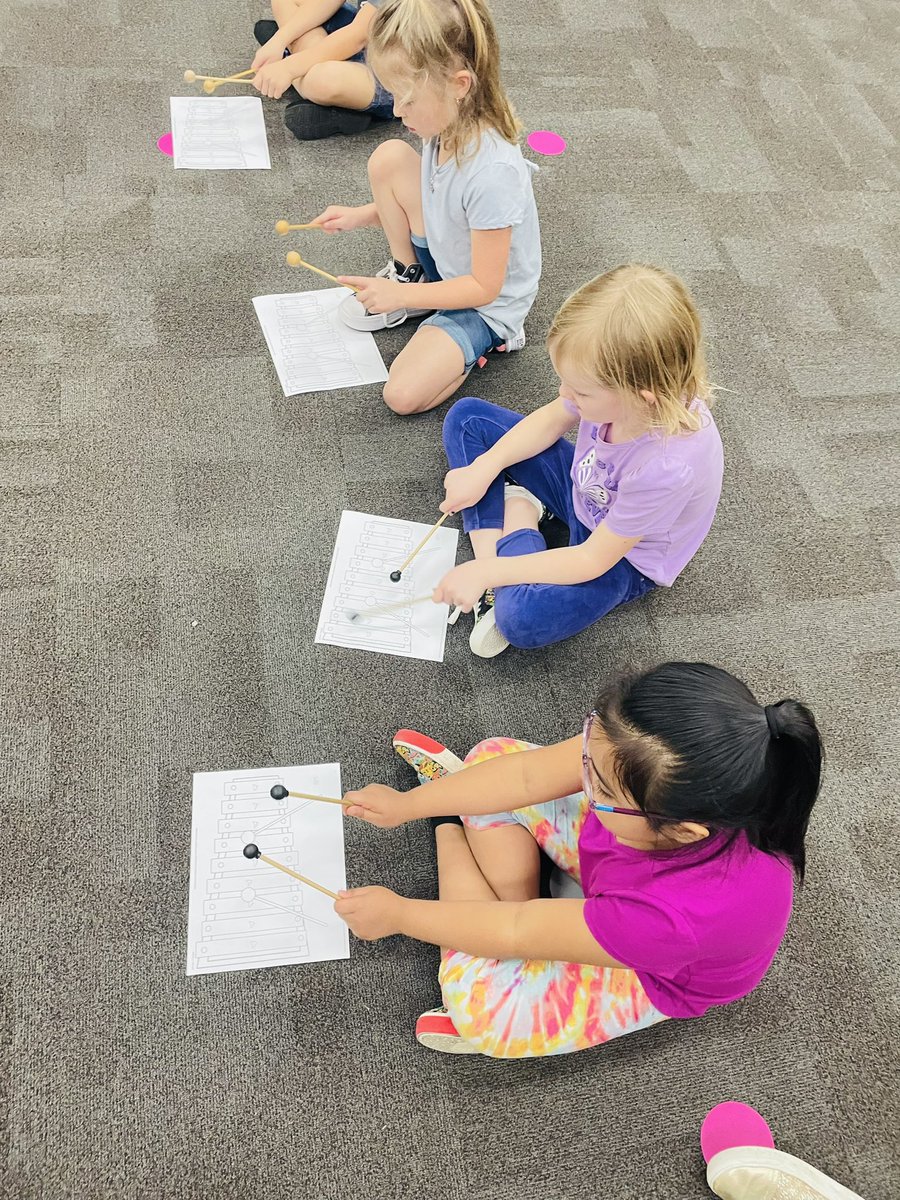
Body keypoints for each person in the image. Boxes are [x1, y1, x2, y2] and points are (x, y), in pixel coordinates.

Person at [334, 662, 824, 1058]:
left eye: (601, 789)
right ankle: (508, 914)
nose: (582, 777)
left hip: (649, 967)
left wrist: (400, 913)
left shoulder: (676, 919)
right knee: (491, 761)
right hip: (624, 882)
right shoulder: (646, 755)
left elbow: (518, 928)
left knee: (482, 1014)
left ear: (680, 829)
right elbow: (526, 776)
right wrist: (405, 805)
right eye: (588, 754)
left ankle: (449, 836)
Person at [432, 263, 724, 657]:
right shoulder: (618, 389)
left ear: (642, 395)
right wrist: (485, 468)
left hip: (623, 558)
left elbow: (590, 559)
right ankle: (496, 567)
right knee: (467, 419)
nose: (565, 392)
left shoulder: (668, 468)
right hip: (584, 490)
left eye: (581, 392)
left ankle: (516, 519)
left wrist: (487, 572)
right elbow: (554, 417)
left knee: (520, 621)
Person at [310, 0, 541, 414]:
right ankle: (414, 280)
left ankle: (485, 341)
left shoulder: (492, 174)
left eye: (407, 99)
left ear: (460, 84)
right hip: (449, 257)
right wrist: (363, 214)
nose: (397, 112)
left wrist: (395, 296)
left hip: (483, 303)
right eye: (394, 96)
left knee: (401, 396)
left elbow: (484, 287)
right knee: (389, 157)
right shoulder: (442, 119)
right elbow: (439, 197)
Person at [251, 1, 395, 141]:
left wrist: (288, 67)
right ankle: (309, 76)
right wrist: (279, 40)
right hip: (372, 36)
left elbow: (358, 36)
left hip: (397, 74)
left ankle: (295, 59)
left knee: (323, 80)